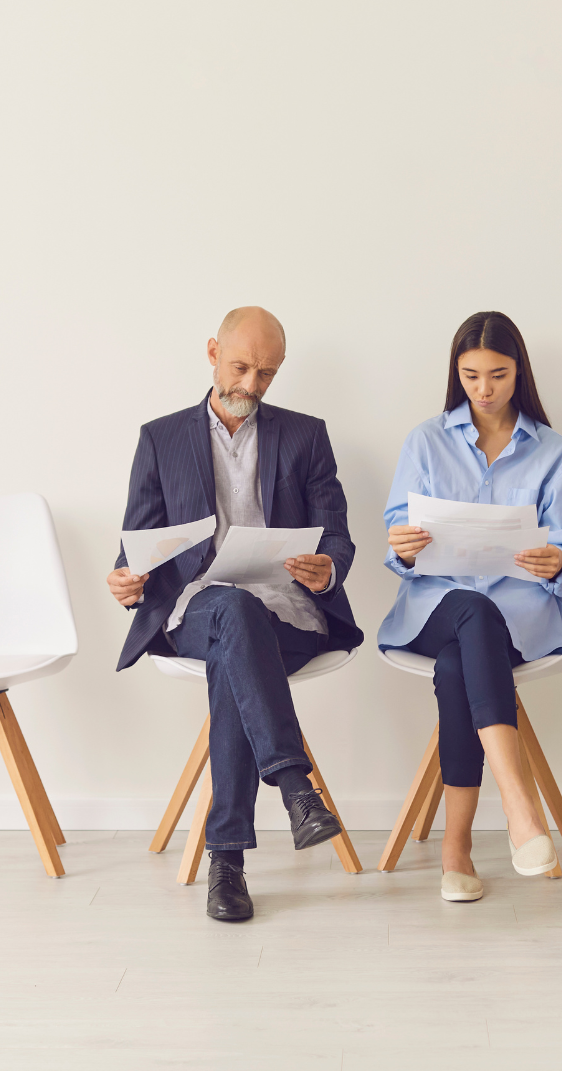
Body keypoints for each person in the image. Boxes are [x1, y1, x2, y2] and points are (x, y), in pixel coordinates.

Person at [109, 306, 363, 923]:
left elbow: (338, 536)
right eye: (241, 366)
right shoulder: (161, 438)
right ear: (212, 352)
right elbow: (135, 547)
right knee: (229, 610)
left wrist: (326, 567)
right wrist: (126, 579)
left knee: (239, 637)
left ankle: (228, 858)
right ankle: (295, 788)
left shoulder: (305, 435)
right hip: (196, 608)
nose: (251, 385)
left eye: (267, 374)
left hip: (286, 611)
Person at [379, 311, 562, 903]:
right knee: (470, 608)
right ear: (457, 373)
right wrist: (405, 548)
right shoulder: (425, 441)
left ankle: (457, 850)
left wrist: (556, 564)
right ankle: (520, 809)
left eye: (497, 374)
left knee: (457, 667)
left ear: (519, 371)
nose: (484, 389)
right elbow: (399, 542)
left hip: (520, 618)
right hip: (433, 609)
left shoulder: (552, 451)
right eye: (471, 376)